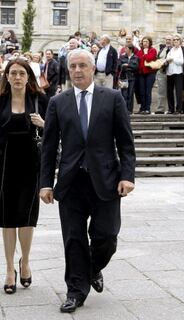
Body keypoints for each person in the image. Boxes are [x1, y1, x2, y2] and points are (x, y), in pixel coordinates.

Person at [39, 49, 136, 313]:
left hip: (106, 180)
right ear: (68, 70)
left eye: (82, 65)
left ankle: (92, 268)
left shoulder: (113, 98)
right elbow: (48, 148)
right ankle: (75, 290)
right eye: (73, 66)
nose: (78, 71)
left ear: (93, 68)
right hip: (71, 183)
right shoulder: (58, 102)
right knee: (73, 239)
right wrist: (45, 183)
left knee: (107, 236)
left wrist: (127, 176)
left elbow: (126, 143)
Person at [0, 58, 47, 295]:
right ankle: (9, 268)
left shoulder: (39, 100)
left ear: (29, 77)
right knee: (7, 217)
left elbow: (55, 135)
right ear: (6, 76)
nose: (17, 77)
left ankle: (25, 261)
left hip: (31, 164)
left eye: (21, 73)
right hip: (5, 164)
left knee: (27, 217)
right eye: (13, 73)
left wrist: (44, 124)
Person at [165, 34, 184, 115]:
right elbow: (167, 59)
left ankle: (179, 109)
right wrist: (168, 60)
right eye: (174, 40)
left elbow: (182, 61)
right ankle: (171, 109)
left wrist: (173, 59)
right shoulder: (171, 50)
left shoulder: (182, 49)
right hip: (169, 72)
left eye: (177, 40)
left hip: (178, 73)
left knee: (178, 91)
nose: (175, 41)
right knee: (169, 91)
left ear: (180, 41)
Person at [136, 36, 157, 114]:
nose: (145, 43)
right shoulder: (139, 51)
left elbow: (149, 58)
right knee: (141, 91)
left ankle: (147, 108)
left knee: (148, 91)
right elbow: (138, 60)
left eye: (147, 42)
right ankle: (142, 108)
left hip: (150, 73)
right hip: (141, 73)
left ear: (150, 42)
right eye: (144, 41)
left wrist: (145, 53)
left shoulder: (153, 50)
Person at [117, 44, 139, 114]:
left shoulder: (135, 57)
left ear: (130, 49)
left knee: (130, 94)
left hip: (132, 78)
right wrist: (128, 67)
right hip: (123, 78)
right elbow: (119, 65)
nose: (125, 50)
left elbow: (136, 67)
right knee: (124, 94)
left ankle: (129, 110)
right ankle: (124, 110)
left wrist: (128, 65)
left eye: (126, 48)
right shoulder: (122, 57)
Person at [155, 35, 172, 114]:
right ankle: (160, 109)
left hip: (171, 72)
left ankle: (171, 109)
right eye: (167, 39)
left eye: (169, 39)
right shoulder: (162, 49)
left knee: (172, 91)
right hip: (161, 72)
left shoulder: (175, 50)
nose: (168, 41)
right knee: (161, 91)